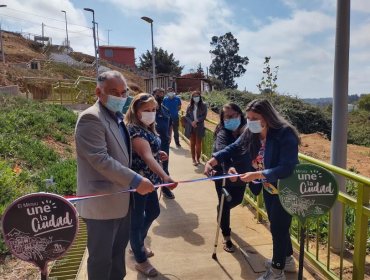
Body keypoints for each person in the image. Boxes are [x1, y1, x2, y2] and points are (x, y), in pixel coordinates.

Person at [204, 99, 300, 280]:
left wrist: (256, 175)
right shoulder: (252, 131)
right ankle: (286, 259)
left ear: (268, 117)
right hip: (269, 186)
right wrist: (213, 160)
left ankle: (277, 272)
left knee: (279, 228)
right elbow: (234, 147)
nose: (251, 122)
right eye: (248, 118)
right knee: (278, 225)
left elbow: (287, 167)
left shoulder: (285, 134)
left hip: (285, 188)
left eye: (255, 118)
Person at [75, 70, 155, 280]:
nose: (120, 97)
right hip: (101, 205)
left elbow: (121, 156)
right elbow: (100, 159)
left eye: (123, 92)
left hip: (120, 201)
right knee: (101, 261)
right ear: (98, 92)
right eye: (113, 92)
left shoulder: (117, 118)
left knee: (117, 257)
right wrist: (136, 180)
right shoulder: (91, 118)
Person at [125, 93, 177, 277]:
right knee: (136, 221)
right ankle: (140, 259)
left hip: (150, 183)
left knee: (154, 212)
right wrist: (165, 176)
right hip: (139, 183)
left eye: (153, 110)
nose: (151, 113)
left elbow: (150, 152)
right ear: (136, 111)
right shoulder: (134, 130)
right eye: (146, 110)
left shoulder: (147, 128)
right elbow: (146, 157)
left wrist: (159, 153)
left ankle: (137, 242)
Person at [212, 103, 248, 253]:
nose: (230, 119)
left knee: (237, 200)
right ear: (223, 119)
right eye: (227, 117)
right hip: (223, 174)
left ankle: (220, 209)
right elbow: (223, 152)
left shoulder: (247, 131)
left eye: (233, 116)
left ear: (240, 115)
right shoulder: (222, 133)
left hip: (241, 175)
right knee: (225, 205)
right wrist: (229, 169)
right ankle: (226, 235)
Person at [153, 87, 175, 199]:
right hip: (151, 144)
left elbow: (170, 123)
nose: (160, 96)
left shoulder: (165, 109)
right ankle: (152, 192)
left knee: (164, 166)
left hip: (164, 143)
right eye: (158, 94)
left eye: (162, 94)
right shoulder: (149, 109)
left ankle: (165, 189)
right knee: (152, 166)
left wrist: (170, 135)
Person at [184, 90, 208, 166]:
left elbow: (204, 116)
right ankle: (193, 159)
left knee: (198, 144)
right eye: (194, 96)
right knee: (192, 143)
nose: (196, 97)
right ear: (192, 97)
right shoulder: (190, 105)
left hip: (199, 126)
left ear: (200, 97)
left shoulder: (203, 105)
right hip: (191, 127)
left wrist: (196, 121)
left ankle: (198, 159)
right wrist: (191, 122)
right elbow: (186, 116)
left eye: (197, 96)